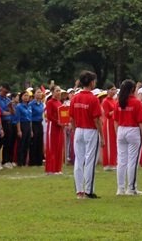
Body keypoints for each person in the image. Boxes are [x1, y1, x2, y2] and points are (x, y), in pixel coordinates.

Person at [70, 70, 104, 199]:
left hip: (79, 130)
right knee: (90, 160)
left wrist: (74, 130)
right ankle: (89, 190)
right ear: (91, 83)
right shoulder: (93, 99)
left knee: (79, 160)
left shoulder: (75, 98)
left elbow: (71, 118)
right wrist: (102, 136)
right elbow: (97, 120)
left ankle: (79, 190)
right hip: (91, 130)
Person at [114, 79, 142, 196]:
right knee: (133, 161)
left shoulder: (119, 103)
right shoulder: (137, 103)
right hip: (133, 130)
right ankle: (131, 188)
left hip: (121, 130)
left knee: (121, 161)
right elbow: (141, 122)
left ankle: (120, 188)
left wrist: (117, 133)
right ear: (133, 89)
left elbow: (116, 120)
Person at [45, 85, 66, 175]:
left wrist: (65, 122)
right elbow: (49, 116)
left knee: (59, 147)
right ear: (52, 92)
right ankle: (51, 169)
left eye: (59, 91)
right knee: (52, 147)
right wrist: (57, 122)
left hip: (59, 127)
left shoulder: (59, 102)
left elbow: (63, 115)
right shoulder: (50, 102)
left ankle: (58, 169)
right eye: (57, 91)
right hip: (52, 127)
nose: (59, 92)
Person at [0, 84, 14, 169]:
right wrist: (9, 111)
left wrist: (10, 107)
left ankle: (5, 161)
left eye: (6, 92)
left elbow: (13, 112)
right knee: (0, 143)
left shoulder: (7, 99)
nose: (5, 93)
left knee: (8, 142)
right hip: (1, 122)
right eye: (4, 91)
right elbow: (1, 112)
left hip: (9, 122)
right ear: (1, 89)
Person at [101, 84, 117, 171]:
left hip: (114, 122)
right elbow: (107, 114)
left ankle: (113, 162)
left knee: (114, 143)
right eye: (111, 89)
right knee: (109, 143)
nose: (113, 91)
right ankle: (108, 164)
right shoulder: (105, 101)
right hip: (108, 123)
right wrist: (116, 110)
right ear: (107, 91)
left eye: (114, 89)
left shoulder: (114, 101)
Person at [15, 90, 32, 166]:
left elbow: (30, 118)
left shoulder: (29, 106)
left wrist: (31, 130)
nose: (26, 97)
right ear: (21, 97)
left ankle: (25, 161)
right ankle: (20, 162)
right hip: (22, 124)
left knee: (27, 144)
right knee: (21, 144)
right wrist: (19, 130)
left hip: (28, 125)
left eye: (27, 96)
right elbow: (17, 119)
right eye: (24, 95)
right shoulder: (19, 106)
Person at [29, 89, 45, 166]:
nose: (39, 94)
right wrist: (31, 129)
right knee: (34, 142)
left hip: (40, 123)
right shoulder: (31, 104)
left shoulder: (41, 104)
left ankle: (39, 161)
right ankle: (33, 161)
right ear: (34, 94)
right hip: (33, 124)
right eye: (38, 92)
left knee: (39, 142)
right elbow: (30, 117)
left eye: (40, 92)